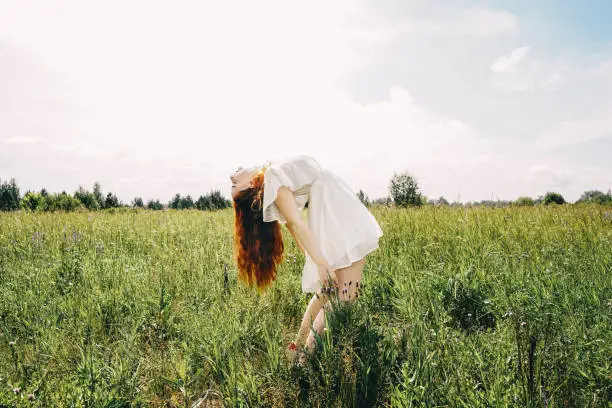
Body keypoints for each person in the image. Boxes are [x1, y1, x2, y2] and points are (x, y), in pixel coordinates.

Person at [230, 154, 383, 364]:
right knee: (346, 294)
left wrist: (313, 257)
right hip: (336, 209)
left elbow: (293, 225)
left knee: (329, 290)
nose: (233, 173)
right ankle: (305, 361)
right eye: (233, 182)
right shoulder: (273, 177)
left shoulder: (272, 183)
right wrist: (319, 262)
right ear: (248, 185)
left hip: (330, 208)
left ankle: (297, 347)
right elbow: (295, 223)